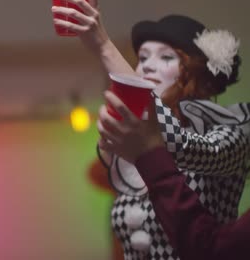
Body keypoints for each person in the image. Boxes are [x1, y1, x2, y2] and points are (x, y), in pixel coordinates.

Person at [53, 0, 250, 259]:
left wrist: (104, 46)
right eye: (143, 57)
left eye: (166, 57)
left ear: (196, 72)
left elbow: (177, 145)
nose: (147, 66)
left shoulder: (231, 135)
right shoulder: (137, 147)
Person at [98, 91, 250, 260]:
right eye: (142, 62)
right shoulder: (131, 162)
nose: (148, 67)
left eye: (166, 61)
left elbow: (181, 145)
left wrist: (141, 99)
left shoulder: (228, 133)